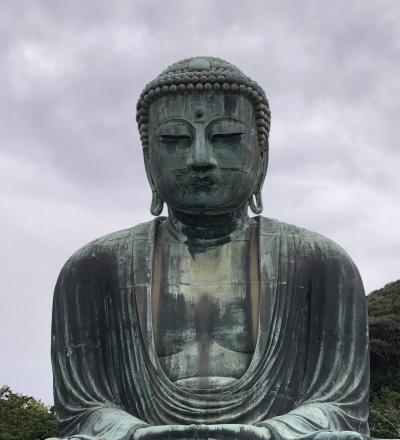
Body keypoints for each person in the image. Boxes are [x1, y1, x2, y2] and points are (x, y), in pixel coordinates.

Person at [49, 57, 370, 440]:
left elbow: (340, 408)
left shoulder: (320, 262)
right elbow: (82, 412)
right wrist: (137, 434)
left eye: (226, 138)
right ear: (148, 161)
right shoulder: (94, 268)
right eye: (175, 141)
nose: (200, 158)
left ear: (262, 156)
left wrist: (269, 434)